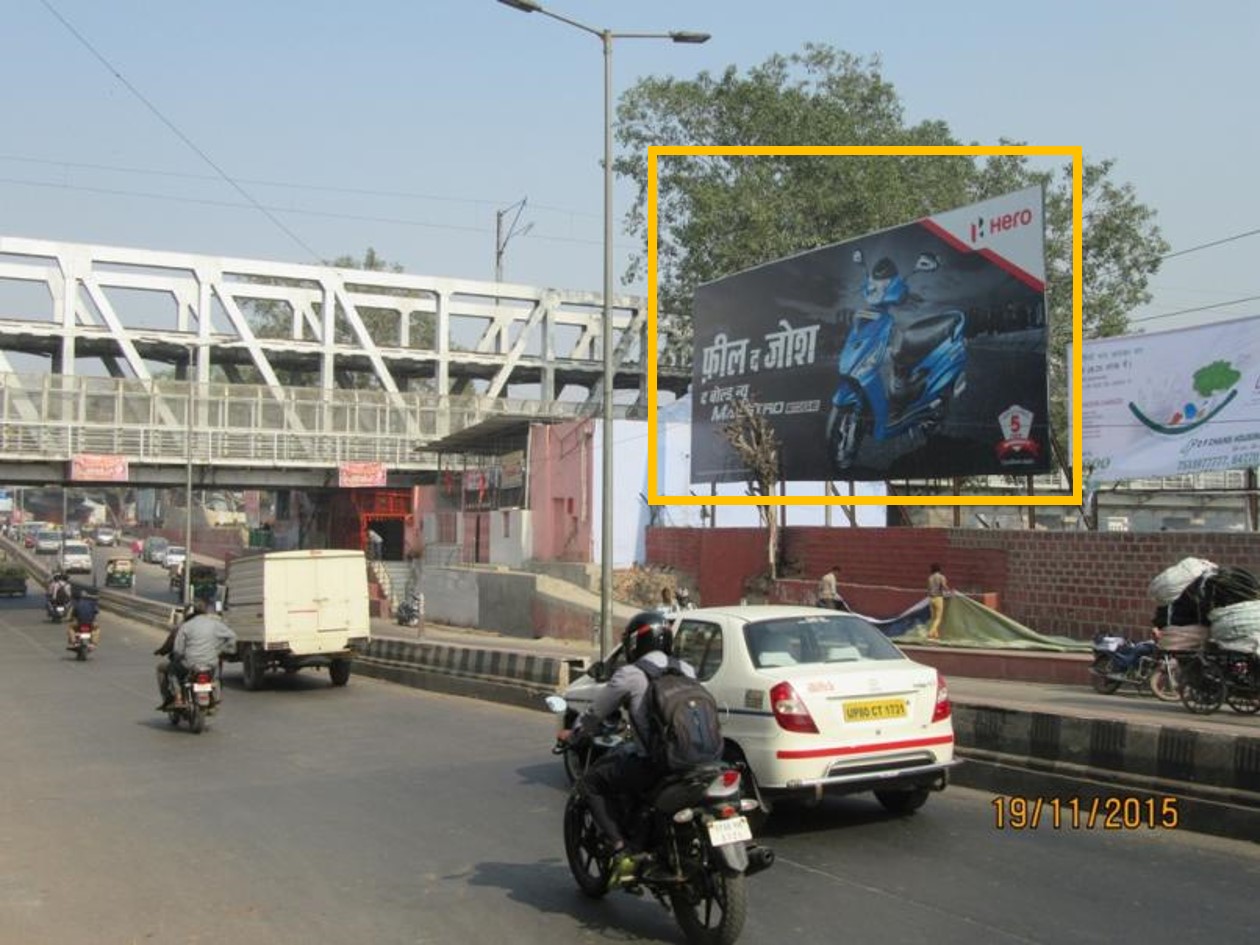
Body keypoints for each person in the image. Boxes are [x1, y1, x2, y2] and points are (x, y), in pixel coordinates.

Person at [559, 611, 695, 887]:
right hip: (699, 759)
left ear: (636, 644)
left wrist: (573, 735)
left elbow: (595, 714)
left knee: (591, 784)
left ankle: (622, 849)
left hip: (657, 763)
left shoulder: (631, 674)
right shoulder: (686, 668)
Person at [161, 598, 236, 709]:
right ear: (206, 611)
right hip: (210, 662)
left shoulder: (186, 626)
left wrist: (179, 656)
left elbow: (177, 649)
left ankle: (178, 697)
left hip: (190, 664)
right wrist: (224, 650)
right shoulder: (215, 624)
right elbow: (232, 636)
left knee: (172, 670)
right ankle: (216, 696)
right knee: (215, 675)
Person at [927, 563, 951, 641]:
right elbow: (944, 586)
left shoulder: (930, 577)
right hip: (938, 598)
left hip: (930, 598)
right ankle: (930, 633)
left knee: (933, 618)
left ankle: (935, 636)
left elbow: (929, 588)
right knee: (938, 618)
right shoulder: (941, 577)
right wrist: (949, 591)